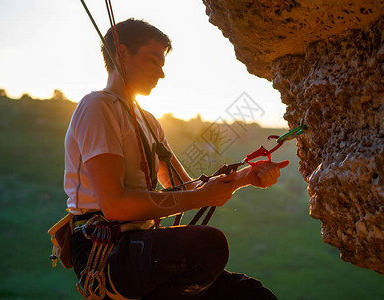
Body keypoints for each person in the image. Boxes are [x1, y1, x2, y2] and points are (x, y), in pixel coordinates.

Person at [65, 18, 289, 299]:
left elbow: (184, 188)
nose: (161, 74)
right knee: (208, 245)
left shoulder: (147, 120)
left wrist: (245, 177)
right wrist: (203, 197)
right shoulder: (97, 106)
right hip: (105, 251)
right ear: (121, 53)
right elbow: (115, 206)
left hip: (142, 249)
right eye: (153, 60)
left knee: (252, 294)